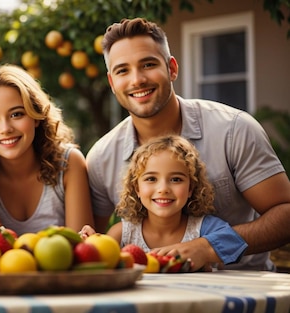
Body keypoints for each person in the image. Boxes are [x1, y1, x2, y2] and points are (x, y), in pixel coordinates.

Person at [86, 17, 290, 271]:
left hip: (243, 296)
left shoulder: (234, 129)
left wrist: (209, 247)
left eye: (148, 64)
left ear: (172, 68)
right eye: (123, 70)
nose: (137, 79)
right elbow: (91, 246)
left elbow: (285, 213)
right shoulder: (101, 157)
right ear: (112, 82)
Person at [0, 64, 94, 235]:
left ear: (36, 116)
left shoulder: (68, 163)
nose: (5, 128)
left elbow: (83, 247)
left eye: (16, 114)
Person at [82, 135, 247, 269]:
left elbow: (236, 243)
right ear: (136, 188)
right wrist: (91, 243)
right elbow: (104, 263)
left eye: (176, 179)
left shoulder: (204, 228)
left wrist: (205, 250)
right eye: (151, 179)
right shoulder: (123, 233)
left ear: (191, 188)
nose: (163, 189)